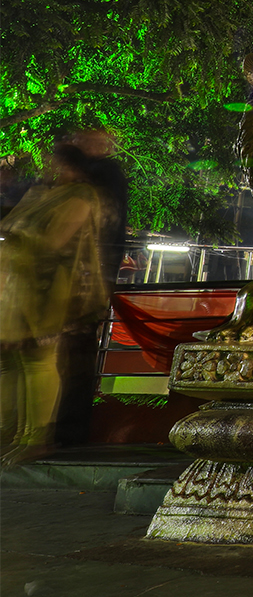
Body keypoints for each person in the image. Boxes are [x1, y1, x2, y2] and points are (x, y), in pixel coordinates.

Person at [0, 143, 107, 464]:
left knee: (38, 360)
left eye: (53, 161)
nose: (47, 167)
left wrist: (12, 240)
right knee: (11, 363)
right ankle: (11, 433)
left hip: (50, 291)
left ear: (71, 167)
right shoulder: (40, 193)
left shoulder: (81, 197)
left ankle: (35, 439)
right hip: (17, 288)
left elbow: (52, 243)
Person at [53, 130, 129, 445]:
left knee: (75, 360)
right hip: (89, 280)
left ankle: (67, 431)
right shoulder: (103, 179)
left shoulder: (98, 181)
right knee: (73, 359)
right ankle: (65, 429)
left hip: (85, 282)